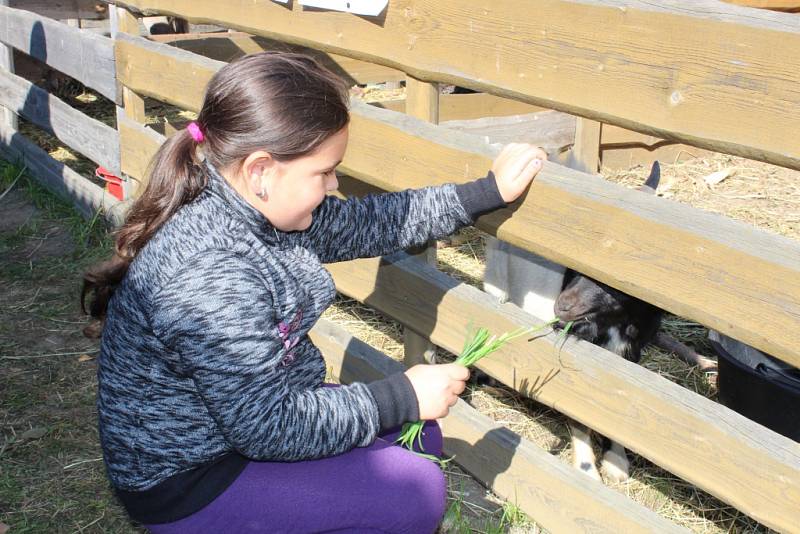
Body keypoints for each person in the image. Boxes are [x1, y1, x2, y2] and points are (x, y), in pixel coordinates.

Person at [82, 51, 546, 533]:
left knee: (421, 437)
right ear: (261, 169)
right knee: (416, 491)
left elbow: (373, 222)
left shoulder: (257, 208)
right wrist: (400, 394)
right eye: (323, 171)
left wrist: (485, 193)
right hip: (191, 477)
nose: (334, 183)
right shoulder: (212, 272)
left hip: (242, 424)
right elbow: (266, 427)